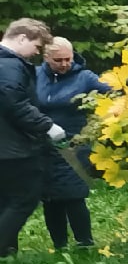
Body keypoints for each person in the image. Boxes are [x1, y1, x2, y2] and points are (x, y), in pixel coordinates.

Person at [35, 37, 112, 250]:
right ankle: (59, 245)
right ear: (46, 57)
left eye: (68, 59)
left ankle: (84, 243)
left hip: (74, 143)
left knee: (73, 195)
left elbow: (111, 92)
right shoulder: (34, 75)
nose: (64, 64)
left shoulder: (84, 77)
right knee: (50, 198)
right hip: (43, 145)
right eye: (58, 60)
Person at [0, 18, 67, 258]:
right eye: (37, 47)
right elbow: (15, 105)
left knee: (5, 200)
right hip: (13, 148)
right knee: (23, 199)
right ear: (21, 38)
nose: (36, 54)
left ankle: (7, 253)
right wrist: (47, 126)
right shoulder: (9, 66)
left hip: (6, 145)